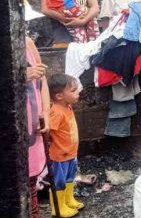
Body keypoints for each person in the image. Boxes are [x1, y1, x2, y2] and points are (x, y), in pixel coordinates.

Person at [24, 0, 50, 218]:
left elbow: (42, 80)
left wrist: (47, 114)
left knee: (32, 180)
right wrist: (19, 77)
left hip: (33, 125)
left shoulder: (27, 44)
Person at [48, 74, 83, 217]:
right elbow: (49, 132)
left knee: (69, 178)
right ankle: (58, 208)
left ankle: (68, 200)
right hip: (59, 156)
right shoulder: (56, 112)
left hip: (70, 153)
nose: (78, 93)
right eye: (73, 91)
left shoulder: (67, 107)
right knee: (59, 181)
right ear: (59, 96)